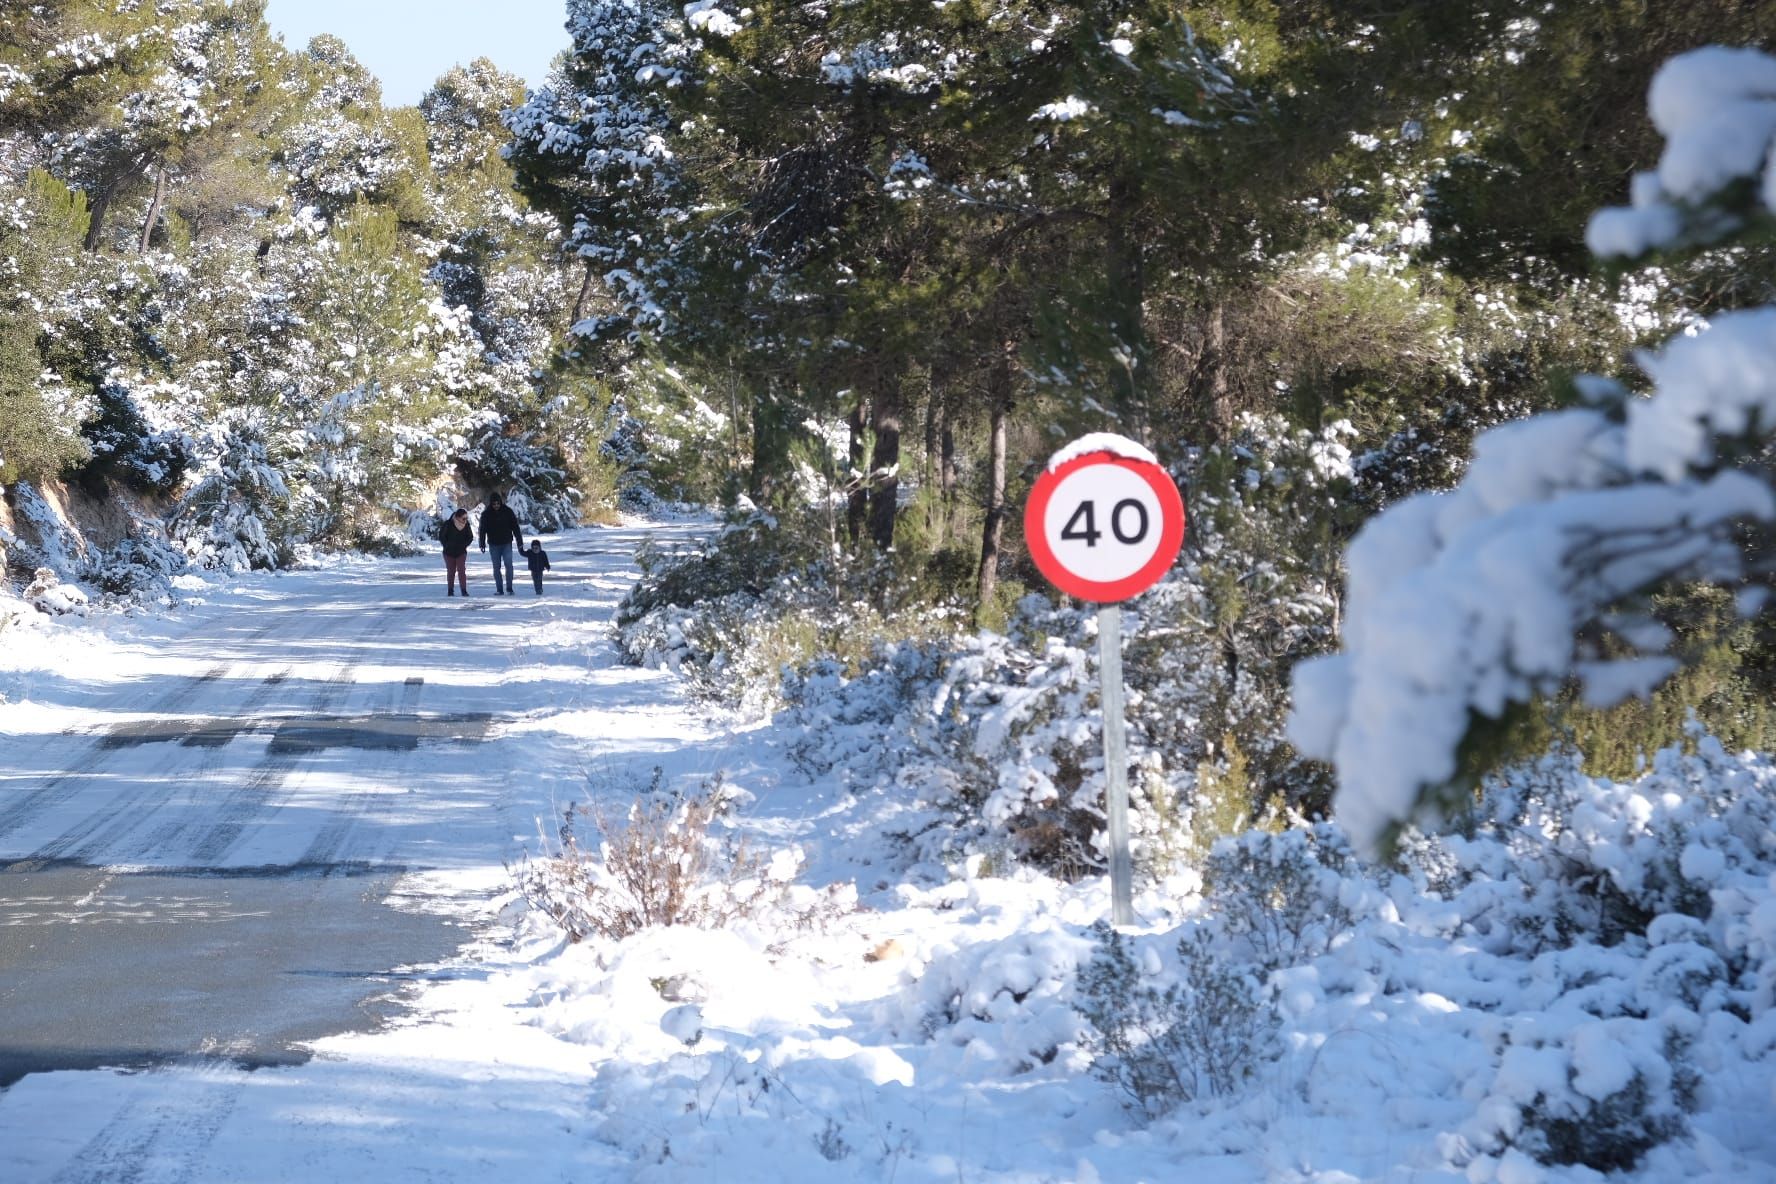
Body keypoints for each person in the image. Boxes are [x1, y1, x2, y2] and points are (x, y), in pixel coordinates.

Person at [477, 492, 525, 595]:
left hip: (506, 543)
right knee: (496, 567)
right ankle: (499, 589)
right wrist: (482, 542)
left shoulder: (508, 512)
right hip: (493, 544)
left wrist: (519, 541)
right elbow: (482, 530)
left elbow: (515, 527)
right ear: (491, 504)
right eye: (494, 504)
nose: (496, 506)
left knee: (509, 565)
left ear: (500, 502)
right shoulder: (486, 514)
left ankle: (509, 588)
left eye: (498, 503)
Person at [440, 507, 474, 597]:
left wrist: (464, 545)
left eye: (466, 518)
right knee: (451, 571)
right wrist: (446, 545)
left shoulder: (466, 525)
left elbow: (470, 537)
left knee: (461, 571)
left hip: (461, 552)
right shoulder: (448, 524)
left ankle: (464, 590)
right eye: (463, 518)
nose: (465, 520)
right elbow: (442, 536)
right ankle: (450, 590)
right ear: (457, 517)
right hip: (448, 552)